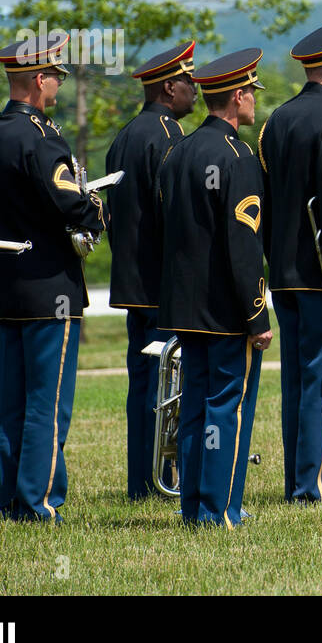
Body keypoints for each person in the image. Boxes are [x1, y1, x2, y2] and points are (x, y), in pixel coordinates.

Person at [0, 33, 105, 523]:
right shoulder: (42, 137)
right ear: (39, 80)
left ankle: (6, 499)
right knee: (48, 403)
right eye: (56, 78)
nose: (59, 87)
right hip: (50, 288)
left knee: (11, 403)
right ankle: (38, 501)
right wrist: (95, 211)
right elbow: (68, 200)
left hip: (5, 284)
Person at [156, 48, 270, 526]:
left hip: (186, 305)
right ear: (238, 95)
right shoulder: (237, 157)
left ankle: (193, 506)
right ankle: (220, 510)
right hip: (225, 308)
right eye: (252, 94)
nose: (254, 103)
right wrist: (257, 314)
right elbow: (243, 247)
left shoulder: (177, 151)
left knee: (196, 407)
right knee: (226, 408)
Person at [258, 20, 322, 505]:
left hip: (284, 270)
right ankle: (314, 486)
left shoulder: (275, 120)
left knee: (299, 379)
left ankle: (299, 482)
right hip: (321, 273)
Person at [104, 41, 197, 499]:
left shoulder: (124, 135)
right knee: (168, 382)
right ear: (168, 86)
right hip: (162, 283)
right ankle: (161, 482)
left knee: (143, 382)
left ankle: (143, 480)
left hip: (132, 283)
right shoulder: (167, 137)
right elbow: (174, 215)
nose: (195, 91)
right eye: (189, 82)